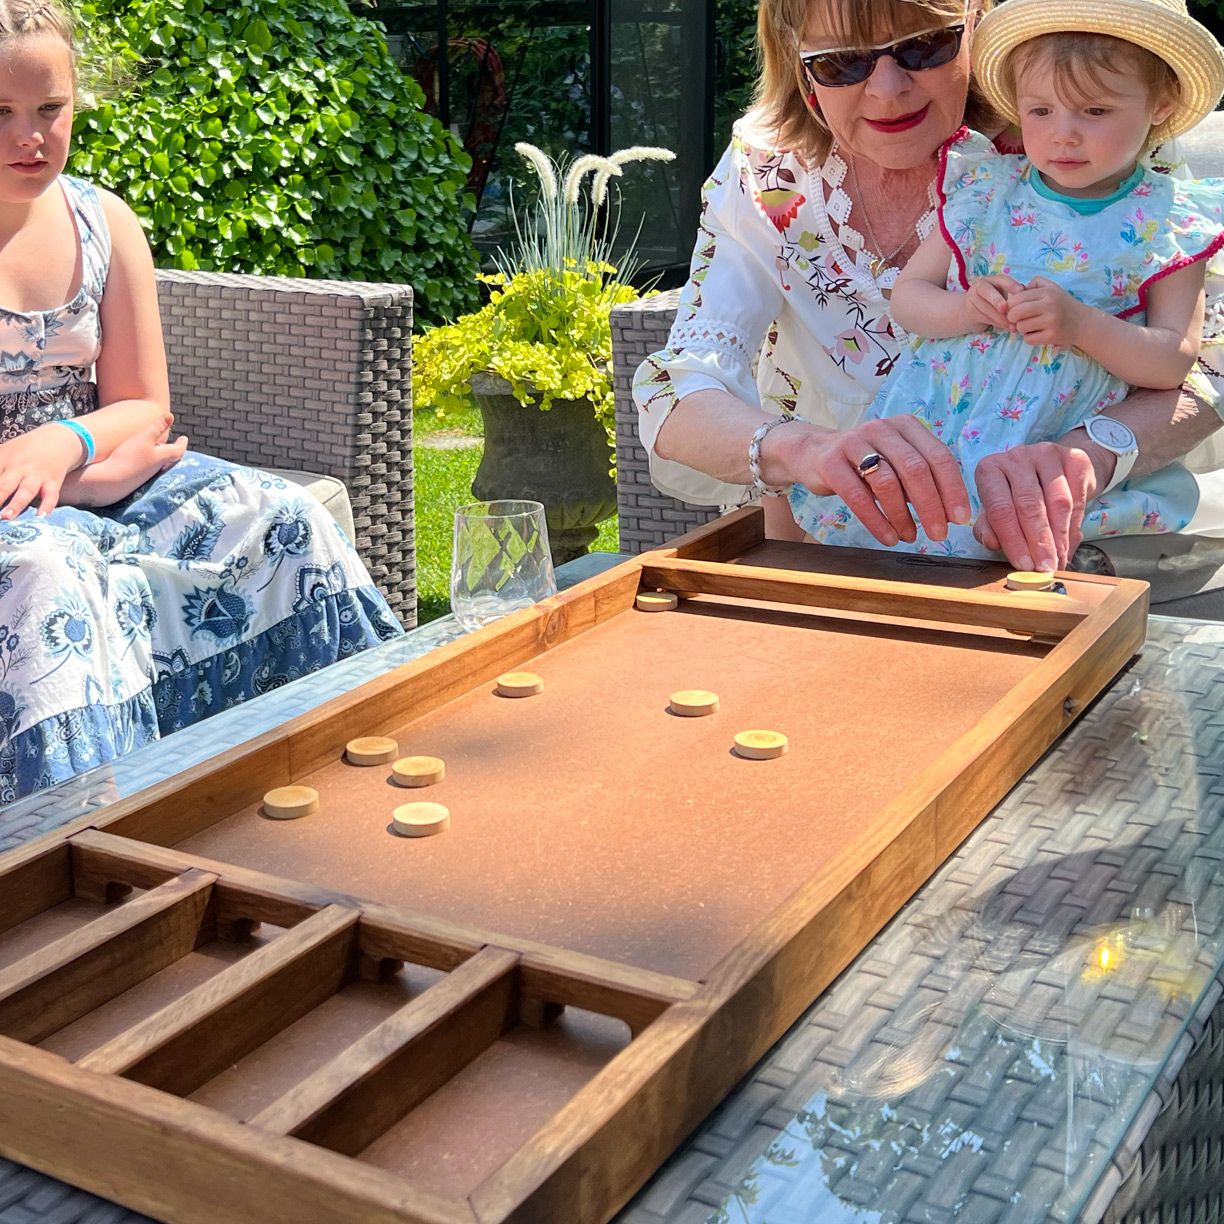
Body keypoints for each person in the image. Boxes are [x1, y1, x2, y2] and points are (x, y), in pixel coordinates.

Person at [633, 0, 1224, 603]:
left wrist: (1092, 452)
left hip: (1071, 552)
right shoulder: (767, 172)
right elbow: (675, 388)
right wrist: (805, 451)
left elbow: (1210, 360)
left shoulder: (1094, 123)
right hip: (839, 550)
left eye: (924, 46)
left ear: (975, 23)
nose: (887, 88)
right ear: (797, 63)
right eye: (841, 63)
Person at [0, 0, 401, 803]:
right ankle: (82, 844)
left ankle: (349, 761)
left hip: (91, 465)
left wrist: (67, 449)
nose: (29, 138)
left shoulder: (102, 222)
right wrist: (81, 485)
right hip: (25, 515)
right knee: (54, 577)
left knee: (284, 517)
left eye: (50, 109)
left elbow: (145, 406)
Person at [794, 1, 1224, 556]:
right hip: (944, 421)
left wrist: (1083, 326)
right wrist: (966, 309)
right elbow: (909, 297)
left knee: (1023, 549)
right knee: (902, 538)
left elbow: (1171, 361)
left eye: (1094, 112)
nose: (1062, 136)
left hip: (1053, 441)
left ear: (1160, 103)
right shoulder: (986, 191)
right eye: (1040, 112)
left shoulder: (1168, 222)